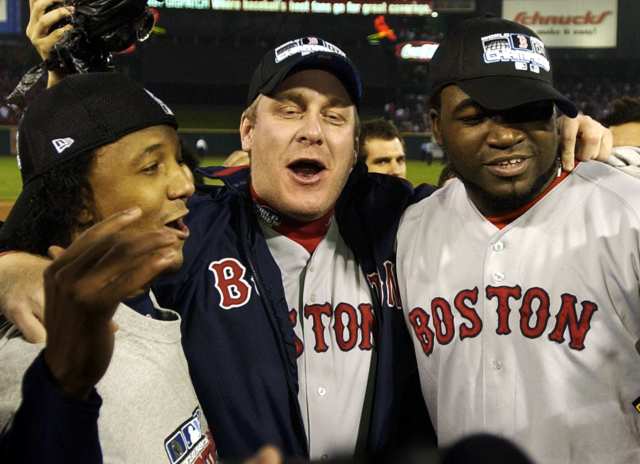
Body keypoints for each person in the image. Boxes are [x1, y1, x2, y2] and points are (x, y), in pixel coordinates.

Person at [0, 8, 615, 460]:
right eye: (289, 108)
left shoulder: (406, 223)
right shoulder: (196, 225)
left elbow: (498, 192)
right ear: (248, 131)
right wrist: (9, 267)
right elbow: (81, 201)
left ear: (354, 144)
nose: (312, 130)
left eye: (335, 116)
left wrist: (560, 137)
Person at [396, 16, 640, 464]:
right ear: (435, 125)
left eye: (526, 112)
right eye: (475, 117)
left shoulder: (627, 211)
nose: (506, 136)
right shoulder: (411, 229)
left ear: (557, 117)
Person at [0, 72, 219, 463]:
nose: (186, 183)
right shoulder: (37, 357)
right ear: (79, 201)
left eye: (179, 160)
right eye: (151, 167)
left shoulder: (143, 297)